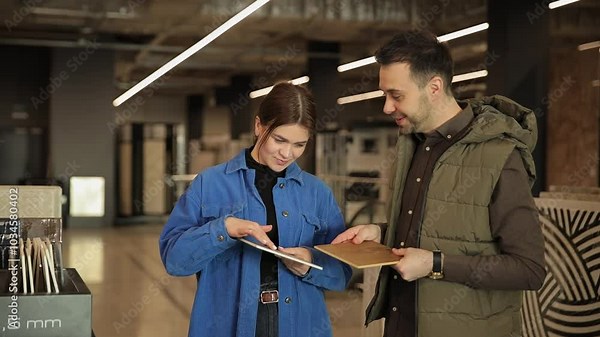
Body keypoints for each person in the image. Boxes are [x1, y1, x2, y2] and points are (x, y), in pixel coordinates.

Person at [332, 30, 546, 337]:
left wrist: (436, 264)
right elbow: (430, 227)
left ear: (434, 87)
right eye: (384, 95)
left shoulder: (501, 156)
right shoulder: (413, 144)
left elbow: (529, 269)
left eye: (397, 95)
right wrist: (380, 231)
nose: (387, 107)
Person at [159, 82, 352, 337]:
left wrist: (310, 263)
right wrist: (223, 229)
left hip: (299, 324)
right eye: (279, 139)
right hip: (227, 324)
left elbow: (342, 272)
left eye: (299, 144)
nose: (287, 153)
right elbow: (175, 260)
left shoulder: (317, 193)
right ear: (259, 125)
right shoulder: (210, 184)